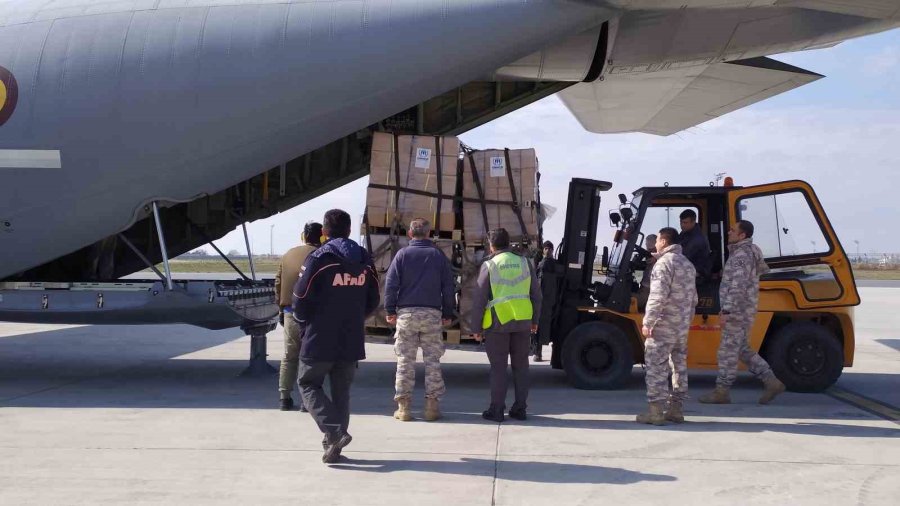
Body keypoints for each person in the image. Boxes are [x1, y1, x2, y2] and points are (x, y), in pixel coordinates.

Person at [291, 209, 380, 464]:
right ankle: (334, 448)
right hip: (350, 337)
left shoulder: (320, 258)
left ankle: (334, 432)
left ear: (324, 233)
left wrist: (303, 322)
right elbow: (374, 298)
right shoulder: (364, 258)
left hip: (320, 336)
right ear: (350, 231)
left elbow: (300, 298)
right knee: (342, 393)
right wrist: (355, 318)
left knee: (307, 384)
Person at [699, 220, 786, 405]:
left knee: (727, 351)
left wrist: (728, 310)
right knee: (742, 350)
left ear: (742, 235)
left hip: (737, 310)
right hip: (745, 309)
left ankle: (722, 391)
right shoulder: (749, 252)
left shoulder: (741, 255)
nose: (729, 232)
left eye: (733, 230)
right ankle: (772, 382)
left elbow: (738, 286)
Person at [383, 218, 455, 422]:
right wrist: (448, 313)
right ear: (428, 233)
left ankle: (404, 408)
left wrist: (390, 310)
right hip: (432, 314)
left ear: (409, 234)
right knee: (433, 361)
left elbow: (391, 285)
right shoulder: (437, 255)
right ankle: (432, 407)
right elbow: (448, 287)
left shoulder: (402, 255)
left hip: (406, 315)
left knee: (405, 360)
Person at [470, 228, 542, 423]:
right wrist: (534, 321)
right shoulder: (525, 263)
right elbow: (536, 295)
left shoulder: (490, 265)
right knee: (521, 367)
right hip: (522, 322)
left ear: (491, 245)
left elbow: (479, 298)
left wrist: (476, 328)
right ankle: (520, 409)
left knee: (499, 369)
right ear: (509, 243)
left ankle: (497, 410)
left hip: (498, 323)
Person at [638, 228, 697, 425]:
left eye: (657, 240)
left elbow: (657, 296)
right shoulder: (688, 265)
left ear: (663, 241)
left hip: (663, 324)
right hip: (681, 326)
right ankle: (676, 409)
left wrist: (648, 322)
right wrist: (686, 322)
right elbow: (693, 299)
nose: (655, 243)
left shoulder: (663, 264)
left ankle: (655, 412)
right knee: (679, 365)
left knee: (656, 365)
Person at [274, 221, 322, 412]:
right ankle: (306, 400)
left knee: (289, 356)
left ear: (303, 236)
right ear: (323, 236)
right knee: (310, 357)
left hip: (290, 312)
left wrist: (280, 308)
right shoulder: (323, 255)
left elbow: (278, 282)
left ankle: (284, 398)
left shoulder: (288, 255)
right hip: (314, 315)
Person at [531, 241, 555, 362]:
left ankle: (553, 355)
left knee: (550, 326)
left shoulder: (551, 264)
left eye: (550, 249)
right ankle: (537, 353)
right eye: (546, 248)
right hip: (541, 301)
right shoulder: (540, 264)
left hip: (549, 302)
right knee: (538, 328)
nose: (548, 251)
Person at [677, 209, 712, 280]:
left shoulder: (698, 238)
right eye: (681, 222)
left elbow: (684, 256)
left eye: (685, 223)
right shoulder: (684, 233)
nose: (682, 225)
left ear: (693, 222)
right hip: (687, 268)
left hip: (695, 272)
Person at [636, 234, 657, 312]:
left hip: (650, 291)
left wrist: (656, 258)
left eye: (651, 249)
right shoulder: (650, 258)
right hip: (643, 288)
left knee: (624, 300)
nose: (649, 251)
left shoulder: (660, 259)